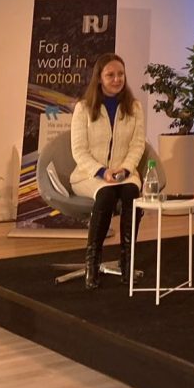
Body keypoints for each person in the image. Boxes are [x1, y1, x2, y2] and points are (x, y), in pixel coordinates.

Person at [70, 53, 146, 290]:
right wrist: (102, 172)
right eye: (110, 75)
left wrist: (124, 169)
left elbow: (138, 145)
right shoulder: (83, 108)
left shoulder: (134, 107)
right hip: (90, 175)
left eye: (120, 74)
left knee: (131, 195)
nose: (116, 79)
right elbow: (79, 151)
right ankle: (92, 263)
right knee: (106, 195)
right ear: (100, 78)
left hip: (125, 172)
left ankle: (127, 262)